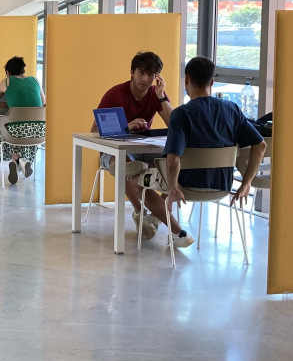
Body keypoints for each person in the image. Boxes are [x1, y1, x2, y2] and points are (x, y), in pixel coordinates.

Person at [162, 55, 266, 225]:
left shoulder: (181, 114)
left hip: (186, 185)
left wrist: (173, 188)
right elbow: (260, 145)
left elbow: (173, 159)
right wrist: (246, 183)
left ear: (186, 79)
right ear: (212, 82)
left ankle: (153, 220)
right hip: (223, 185)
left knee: (143, 174)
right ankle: (155, 219)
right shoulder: (232, 109)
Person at [93, 51, 176, 240]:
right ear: (132, 72)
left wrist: (161, 96)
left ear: (157, 77)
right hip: (112, 150)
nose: (145, 79)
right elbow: (94, 131)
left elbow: (174, 125)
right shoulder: (115, 94)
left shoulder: (156, 95)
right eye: (141, 73)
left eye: (150, 75)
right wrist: (125, 127)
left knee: (174, 164)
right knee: (125, 163)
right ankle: (140, 212)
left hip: (143, 148)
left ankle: (154, 217)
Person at [0, 56, 45, 184]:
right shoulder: (35, 80)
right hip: (39, 131)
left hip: (16, 132)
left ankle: (17, 159)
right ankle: (20, 161)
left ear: (8, 72)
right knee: (15, 133)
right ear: (23, 70)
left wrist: (10, 105)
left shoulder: (7, 81)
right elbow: (43, 103)